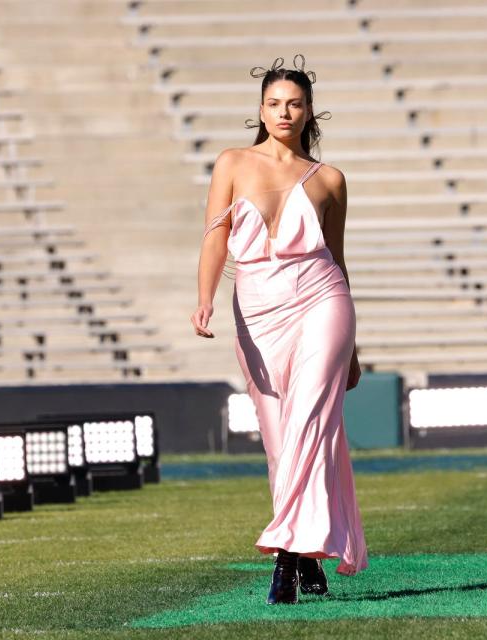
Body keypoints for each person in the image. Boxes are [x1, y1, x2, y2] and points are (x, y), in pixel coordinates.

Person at [190, 54, 369, 604]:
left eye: (293, 103)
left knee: (309, 424)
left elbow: (336, 258)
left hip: (322, 300)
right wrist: (204, 300)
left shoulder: (330, 180)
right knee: (277, 436)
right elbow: (215, 238)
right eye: (273, 103)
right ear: (260, 110)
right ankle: (308, 548)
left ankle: (287, 558)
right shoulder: (231, 163)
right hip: (257, 308)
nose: (283, 112)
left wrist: (353, 349)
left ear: (310, 110)